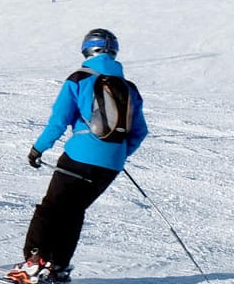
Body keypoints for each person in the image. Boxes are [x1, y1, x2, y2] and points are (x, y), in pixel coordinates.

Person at [9, 28, 147, 284]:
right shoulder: (129, 88)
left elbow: (58, 121)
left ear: (87, 50)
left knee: (50, 209)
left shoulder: (80, 79)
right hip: (111, 165)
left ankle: (33, 266)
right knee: (74, 212)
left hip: (79, 157)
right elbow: (140, 132)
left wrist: (38, 149)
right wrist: (117, 155)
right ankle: (58, 267)